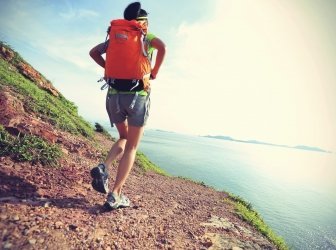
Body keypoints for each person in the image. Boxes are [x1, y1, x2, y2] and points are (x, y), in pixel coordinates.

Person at [89, 2, 166, 210]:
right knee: (132, 146)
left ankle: (104, 166)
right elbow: (163, 47)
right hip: (137, 96)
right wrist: (155, 72)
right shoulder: (144, 36)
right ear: (143, 22)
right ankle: (115, 195)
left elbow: (93, 52)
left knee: (123, 137)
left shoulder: (115, 35)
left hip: (114, 96)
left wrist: (108, 69)